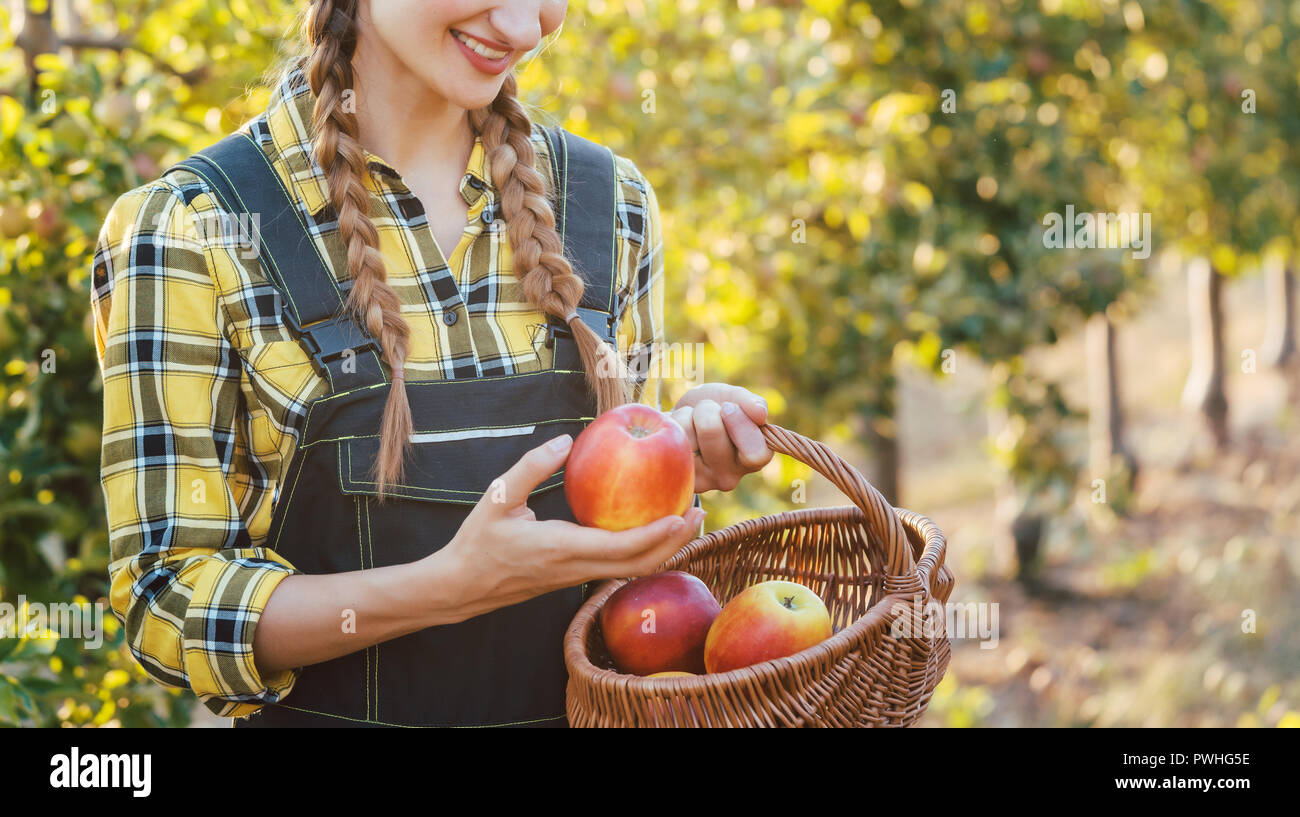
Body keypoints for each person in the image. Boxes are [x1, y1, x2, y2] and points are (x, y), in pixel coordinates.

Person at [90, 0, 772, 728]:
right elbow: (169, 598)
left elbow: (624, 577)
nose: (522, 27)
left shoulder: (612, 206)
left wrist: (680, 449)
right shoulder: (194, 226)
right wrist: (448, 586)